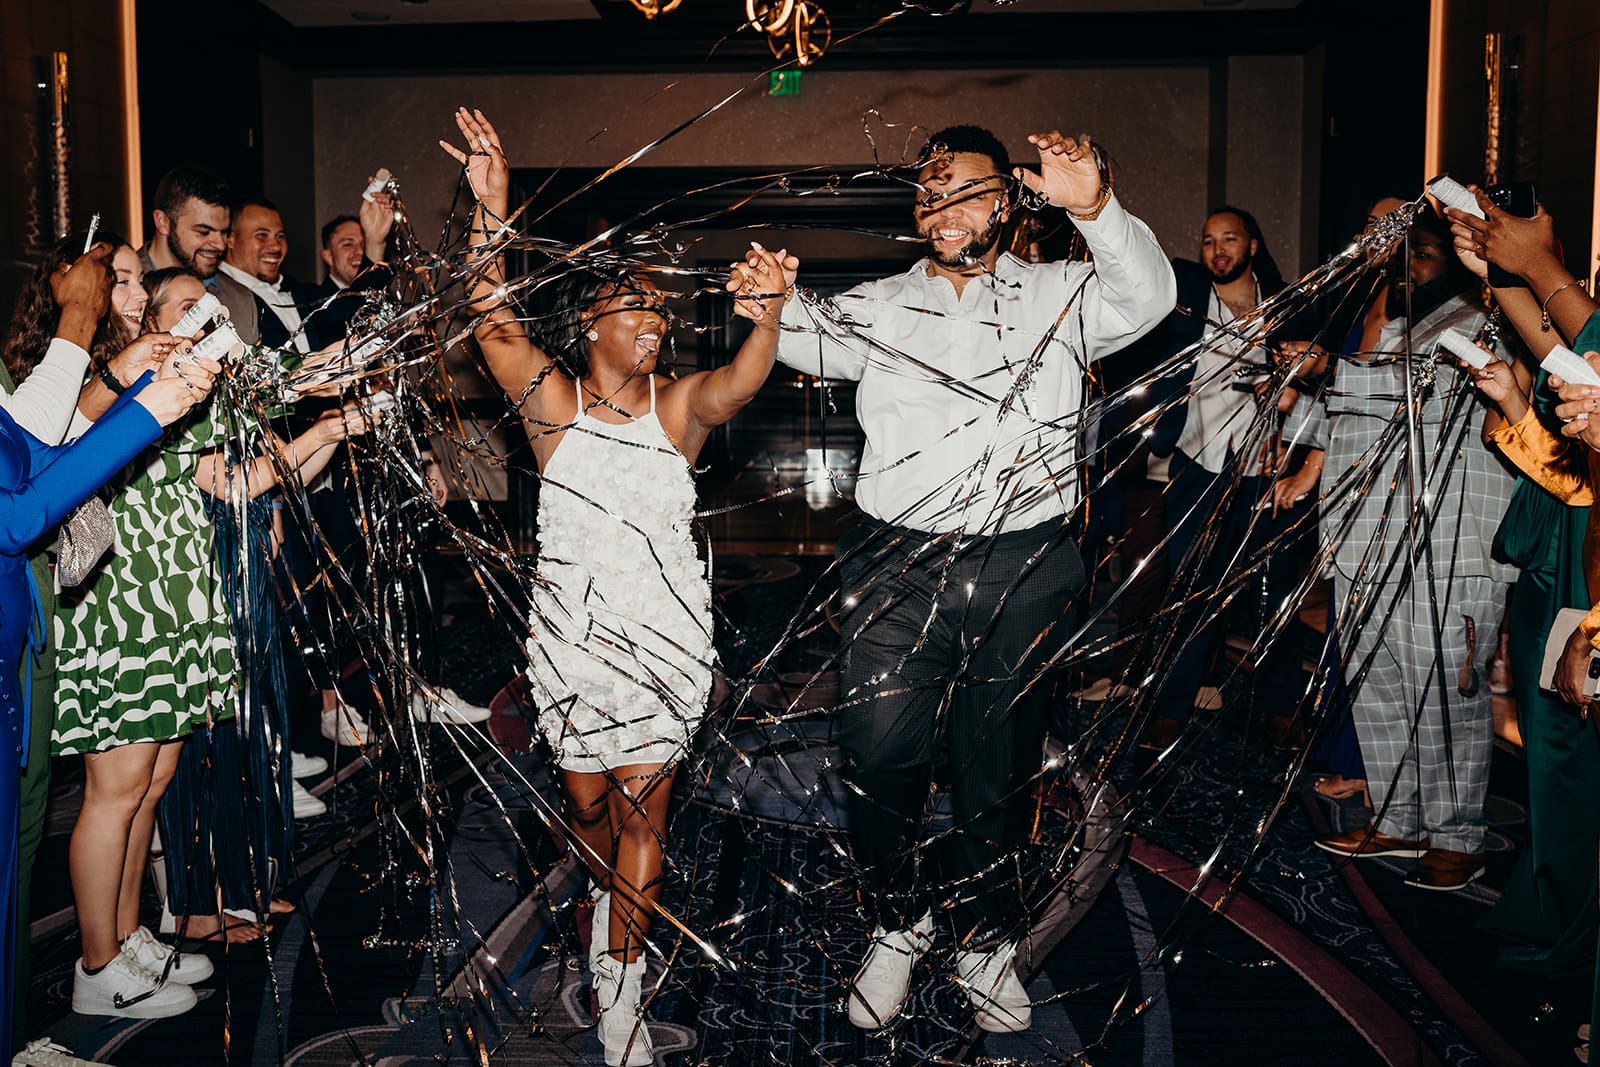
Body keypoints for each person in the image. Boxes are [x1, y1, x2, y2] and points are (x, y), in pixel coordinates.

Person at [773, 124, 1174, 1032]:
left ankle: (986, 938)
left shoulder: (1061, 292)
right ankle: (897, 922)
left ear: (1005, 199)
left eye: (960, 188)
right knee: (878, 756)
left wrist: (1096, 207)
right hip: (894, 560)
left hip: (1024, 559)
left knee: (998, 766)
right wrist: (768, 302)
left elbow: (1150, 298)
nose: (939, 204)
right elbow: (796, 339)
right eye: (927, 190)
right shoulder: (878, 303)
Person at [441, 106, 791, 1067]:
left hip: (665, 642)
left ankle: (621, 986)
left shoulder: (678, 411)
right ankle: (606, 909)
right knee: (590, 811)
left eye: (661, 307)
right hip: (574, 645)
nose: (654, 320)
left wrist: (765, 323)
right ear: (591, 316)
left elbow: (741, 382)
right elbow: (488, 314)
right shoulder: (552, 410)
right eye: (635, 304)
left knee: (647, 813)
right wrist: (491, 211)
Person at [1303, 206, 1516, 891]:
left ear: (1455, 259)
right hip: (1367, 539)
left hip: (1447, 544)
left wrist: (1323, 371)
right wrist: (1297, 400)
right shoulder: (1392, 326)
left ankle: (1457, 835)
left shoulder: (1484, 321)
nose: (1407, 264)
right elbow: (1359, 419)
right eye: (1403, 254)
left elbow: (1420, 401)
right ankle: (1398, 817)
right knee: (1378, 684)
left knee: (1445, 693)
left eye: (1422, 253)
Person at [1139, 206, 1315, 749]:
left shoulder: (1288, 306)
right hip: (1197, 463)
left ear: (1253, 246)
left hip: (1266, 470)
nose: (1218, 249)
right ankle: (1172, 709)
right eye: (1208, 239)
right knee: (1190, 587)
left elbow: (1319, 381)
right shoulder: (1188, 298)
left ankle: (1281, 708)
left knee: (1273, 589)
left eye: (1230, 238)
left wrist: (1291, 412)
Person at [140, 164, 261, 344]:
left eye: (224, 232)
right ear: (163, 222)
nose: (220, 244)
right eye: (203, 232)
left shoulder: (239, 300)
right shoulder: (120, 290)